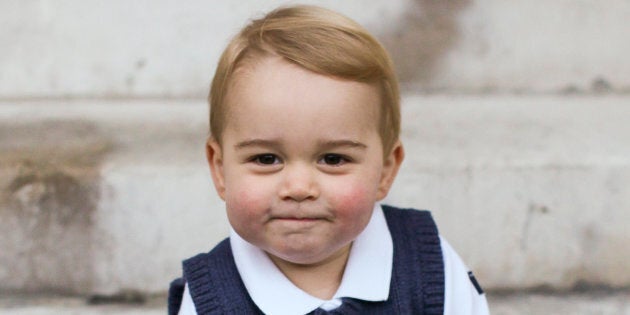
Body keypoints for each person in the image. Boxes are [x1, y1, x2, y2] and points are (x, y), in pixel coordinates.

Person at [169, 5, 489, 315]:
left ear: (385, 172)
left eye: (333, 159)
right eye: (266, 158)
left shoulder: (429, 266)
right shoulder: (208, 299)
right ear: (220, 169)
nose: (298, 188)